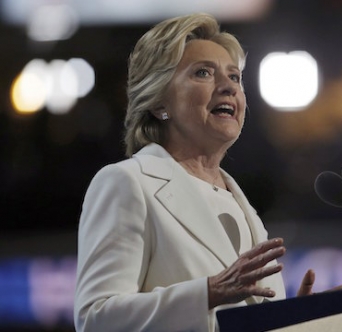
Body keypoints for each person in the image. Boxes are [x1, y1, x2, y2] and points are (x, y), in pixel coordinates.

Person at [73, 13, 327, 332]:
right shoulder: (126, 183)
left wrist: (294, 318)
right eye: (204, 72)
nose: (228, 88)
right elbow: (95, 319)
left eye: (234, 77)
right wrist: (206, 293)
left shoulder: (240, 202)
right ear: (158, 102)